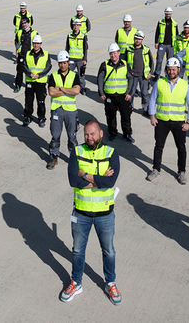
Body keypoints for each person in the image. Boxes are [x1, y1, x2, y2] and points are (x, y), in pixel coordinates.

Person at [60, 120, 121, 305]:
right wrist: (98, 180)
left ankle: (110, 282)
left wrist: (84, 175)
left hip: (105, 213)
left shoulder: (112, 153)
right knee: (78, 251)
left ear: (101, 133)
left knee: (109, 251)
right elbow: (72, 179)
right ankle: (76, 283)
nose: (89, 137)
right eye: (86, 134)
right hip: (81, 213)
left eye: (93, 134)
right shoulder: (77, 152)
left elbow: (110, 183)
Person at [146, 58, 189, 185]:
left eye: (173, 69)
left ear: (179, 69)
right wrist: (152, 117)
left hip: (179, 123)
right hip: (161, 121)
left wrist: (188, 122)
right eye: (169, 69)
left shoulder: (185, 85)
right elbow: (152, 100)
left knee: (181, 148)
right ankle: (156, 169)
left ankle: (181, 172)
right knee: (158, 146)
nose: (171, 71)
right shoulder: (160, 83)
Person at [46, 51, 80, 170]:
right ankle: (54, 157)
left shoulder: (74, 75)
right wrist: (67, 90)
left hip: (70, 111)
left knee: (72, 136)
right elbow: (51, 92)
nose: (63, 65)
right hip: (57, 110)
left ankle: (74, 158)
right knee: (55, 136)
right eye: (61, 63)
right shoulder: (53, 76)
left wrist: (60, 88)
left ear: (68, 63)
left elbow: (76, 91)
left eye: (65, 62)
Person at [96, 43, 133, 143]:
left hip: (123, 96)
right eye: (111, 53)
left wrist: (129, 92)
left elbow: (131, 78)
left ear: (119, 53)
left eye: (115, 53)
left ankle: (127, 134)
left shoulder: (125, 64)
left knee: (126, 116)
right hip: (109, 96)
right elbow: (100, 79)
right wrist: (101, 92)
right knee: (110, 116)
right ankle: (112, 133)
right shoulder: (104, 64)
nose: (113, 55)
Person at [21, 35, 50, 127]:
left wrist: (39, 75)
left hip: (40, 82)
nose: (36, 45)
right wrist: (29, 74)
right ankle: (28, 117)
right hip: (30, 81)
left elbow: (48, 67)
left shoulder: (46, 54)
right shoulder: (28, 53)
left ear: (40, 44)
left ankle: (41, 118)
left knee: (41, 101)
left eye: (38, 43)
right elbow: (24, 66)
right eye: (34, 43)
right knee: (29, 101)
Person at [124, 31, 154, 111]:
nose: (137, 40)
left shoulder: (146, 49)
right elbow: (124, 62)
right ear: (134, 38)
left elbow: (151, 62)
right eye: (136, 38)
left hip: (143, 76)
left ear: (142, 40)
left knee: (144, 94)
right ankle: (130, 107)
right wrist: (127, 73)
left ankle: (146, 108)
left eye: (139, 39)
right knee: (131, 92)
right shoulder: (129, 49)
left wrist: (150, 73)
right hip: (132, 76)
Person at [13, 17, 37, 89]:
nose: (24, 25)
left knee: (29, 72)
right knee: (19, 71)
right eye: (23, 23)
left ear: (29, 23)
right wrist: (17, 51)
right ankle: (18, 85)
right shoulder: (19, 32)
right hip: (21, 55)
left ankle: (30, 85)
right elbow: (17, 42)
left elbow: (37, 45)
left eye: (26, 23)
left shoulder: (34, 33)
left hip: (30, 56)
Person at [66, 20, 89, 94]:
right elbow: (67, 47)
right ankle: (69, 87)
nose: (76, 26)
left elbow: (85, 48)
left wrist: (85, 59)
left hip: (80, 59)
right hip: (71, 58)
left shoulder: (83, 36)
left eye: (77, 25)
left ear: (80, 26)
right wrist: (67, 59)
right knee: (69, 74)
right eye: (74, 25)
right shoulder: (69, 35)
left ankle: (82, 88)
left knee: (81, 75)